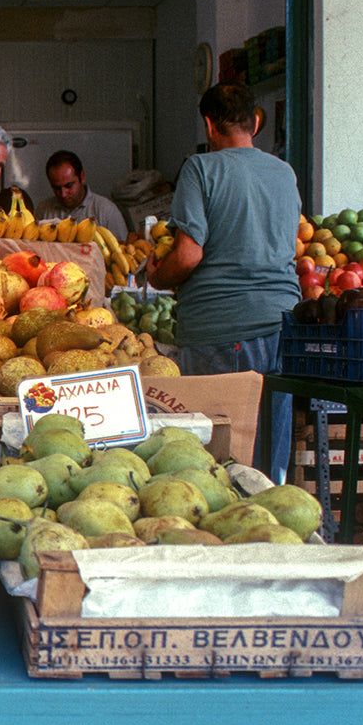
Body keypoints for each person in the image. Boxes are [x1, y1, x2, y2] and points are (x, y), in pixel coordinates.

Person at [147, 81, 299, 479]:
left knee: (218, 464)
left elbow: (188, 254)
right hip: (282, 325)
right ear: (255, 123)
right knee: (269, 457)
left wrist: (158, 278)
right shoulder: (284, 173)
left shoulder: (201, 168)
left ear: (209, 124)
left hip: (222, 328)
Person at [35, 150, 129, 240]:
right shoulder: (43, 211)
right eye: (56, 188)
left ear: (82, 177)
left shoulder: (107, 211)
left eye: (69, 186)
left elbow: (121, 250)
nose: (63, 194)